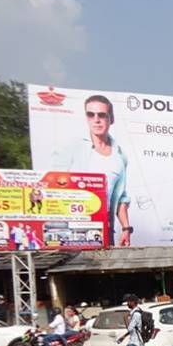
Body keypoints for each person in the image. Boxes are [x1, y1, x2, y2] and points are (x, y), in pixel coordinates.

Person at [63, 95, 131, 247]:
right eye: (90, 115)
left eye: (102, 115)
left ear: (111, 119)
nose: (96, 119)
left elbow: (121, 198)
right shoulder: (71, 148)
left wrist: (126, 228)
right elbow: (53, 186)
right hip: (74, 228)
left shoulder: (120, 156)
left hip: (106, 229)